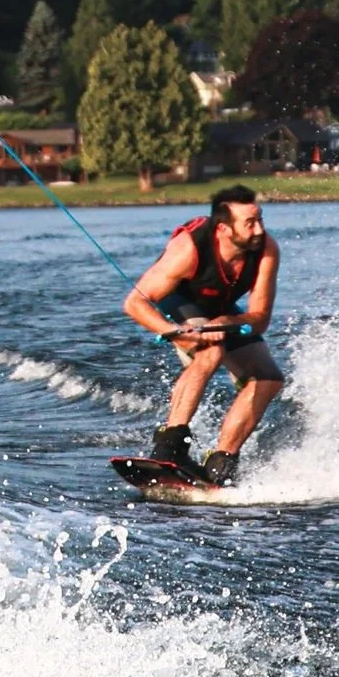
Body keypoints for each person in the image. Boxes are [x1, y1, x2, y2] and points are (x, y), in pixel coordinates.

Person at [121, 184, 285, 486]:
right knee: (211, 350)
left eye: (260, 219)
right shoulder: (188, 249)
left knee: (268, 378)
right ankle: (170, 445)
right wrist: (174, 331)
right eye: (250, 223)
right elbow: (134, 303)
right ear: (223, 228)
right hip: (179, 303)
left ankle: (222, 460)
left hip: (221, 310)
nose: (259, 229)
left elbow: (260, 317)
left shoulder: (266, 250)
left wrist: (225, 320)